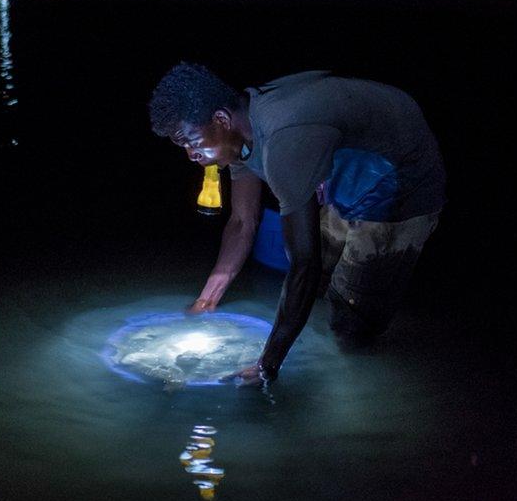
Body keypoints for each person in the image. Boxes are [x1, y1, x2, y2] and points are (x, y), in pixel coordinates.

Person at [148, 63, 446, 385]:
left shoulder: (284, 140)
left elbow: (305, 264)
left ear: (221, 119)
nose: (191, 155)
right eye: (183, 148)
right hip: (347, 179)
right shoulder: (239, 133)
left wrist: (266, 366)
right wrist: (205, 301)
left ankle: (361, 385)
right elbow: (242, 222)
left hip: (404, 181)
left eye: (191, 142)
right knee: (318, 287)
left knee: (349, 321)